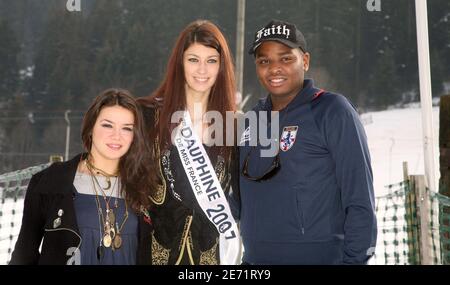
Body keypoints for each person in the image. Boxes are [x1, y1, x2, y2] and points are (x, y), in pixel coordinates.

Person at [239, 20, 377, 265]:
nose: (274, 69)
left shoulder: (332, 111)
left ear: (305, 61)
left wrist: (355, 261)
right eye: (264, 61)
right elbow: (239, 198)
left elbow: (359, 199)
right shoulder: (251, 121)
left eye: (285, 59)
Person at [10, 88, 156, 265]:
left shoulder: (146, 185)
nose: (116, 136)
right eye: (107, 125)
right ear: (90, 128)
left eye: (126, 128)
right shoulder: (51, 181)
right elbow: (24, 253)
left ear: (134, 136)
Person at [138, 19, 241, 265]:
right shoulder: (146, 115)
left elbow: (243, 195)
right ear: (180, 63)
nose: (202, 70)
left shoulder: (235, 127)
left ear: (222, 67)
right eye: (193, 59)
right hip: (152, 252)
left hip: (210, 256)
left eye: (211, 61)